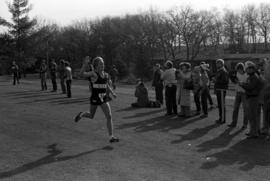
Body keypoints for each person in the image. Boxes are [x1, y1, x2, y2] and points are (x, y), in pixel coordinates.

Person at [74, 56, 119, 143]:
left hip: (103, 98)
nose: (102, 65)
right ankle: (82, 114)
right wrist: (84, 64)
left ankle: (111, 137)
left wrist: (112, 93)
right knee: (91, 115)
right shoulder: (93, 74)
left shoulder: (105, 74)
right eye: (100, 64)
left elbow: (106, 85)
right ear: (96, 65)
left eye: (103, 64)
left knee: (109, 116)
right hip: (95, 98)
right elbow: (81, 74)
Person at [239, 61, 264, 139]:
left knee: (253, 116)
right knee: (253, 116)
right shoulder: (251, 77)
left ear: (252, 69)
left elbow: (250, 87)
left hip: (254, 98)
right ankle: (254, 131)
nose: (246, 70)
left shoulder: (254, 77)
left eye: (248, 69)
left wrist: (242, 84)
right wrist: (243, 84)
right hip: (252, 97)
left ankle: (254, 133)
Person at [228, 63, 248, 129]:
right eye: (238, 70)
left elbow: (248, 84)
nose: (238, 71)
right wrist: (234, 81)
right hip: (238, 93)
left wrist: (241, 83)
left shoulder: (246, 75)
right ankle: (234, 123)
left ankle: (245, 124)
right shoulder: (236, 73)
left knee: (245, 109)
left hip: (245, 93)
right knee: (235, 108)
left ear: (243, 69)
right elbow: (232, 79)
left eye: (240, 70)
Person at [214, 59, 229, 124]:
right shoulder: (219, 71)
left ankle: (223, 119)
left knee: (222, 105)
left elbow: (225, 81)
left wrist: (216, 81)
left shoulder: (223, 71)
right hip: (218, 89)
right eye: (217, 63)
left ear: (221, 64)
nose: (217, 64)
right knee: (220, 105)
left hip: (222, 89)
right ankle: (220, 118)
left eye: (218, 63)